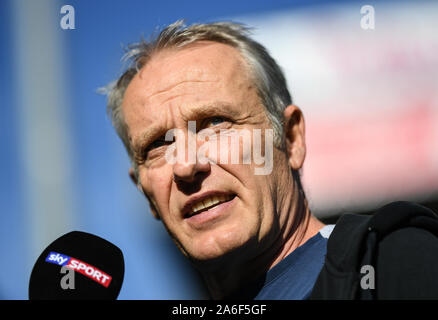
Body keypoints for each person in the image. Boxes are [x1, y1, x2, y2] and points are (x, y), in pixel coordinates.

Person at [103, 20, 438, 300]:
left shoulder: (395, 265)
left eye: (215, 124)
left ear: (291, 138)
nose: (187, 166)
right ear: (144, 189)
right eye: (158, 145)